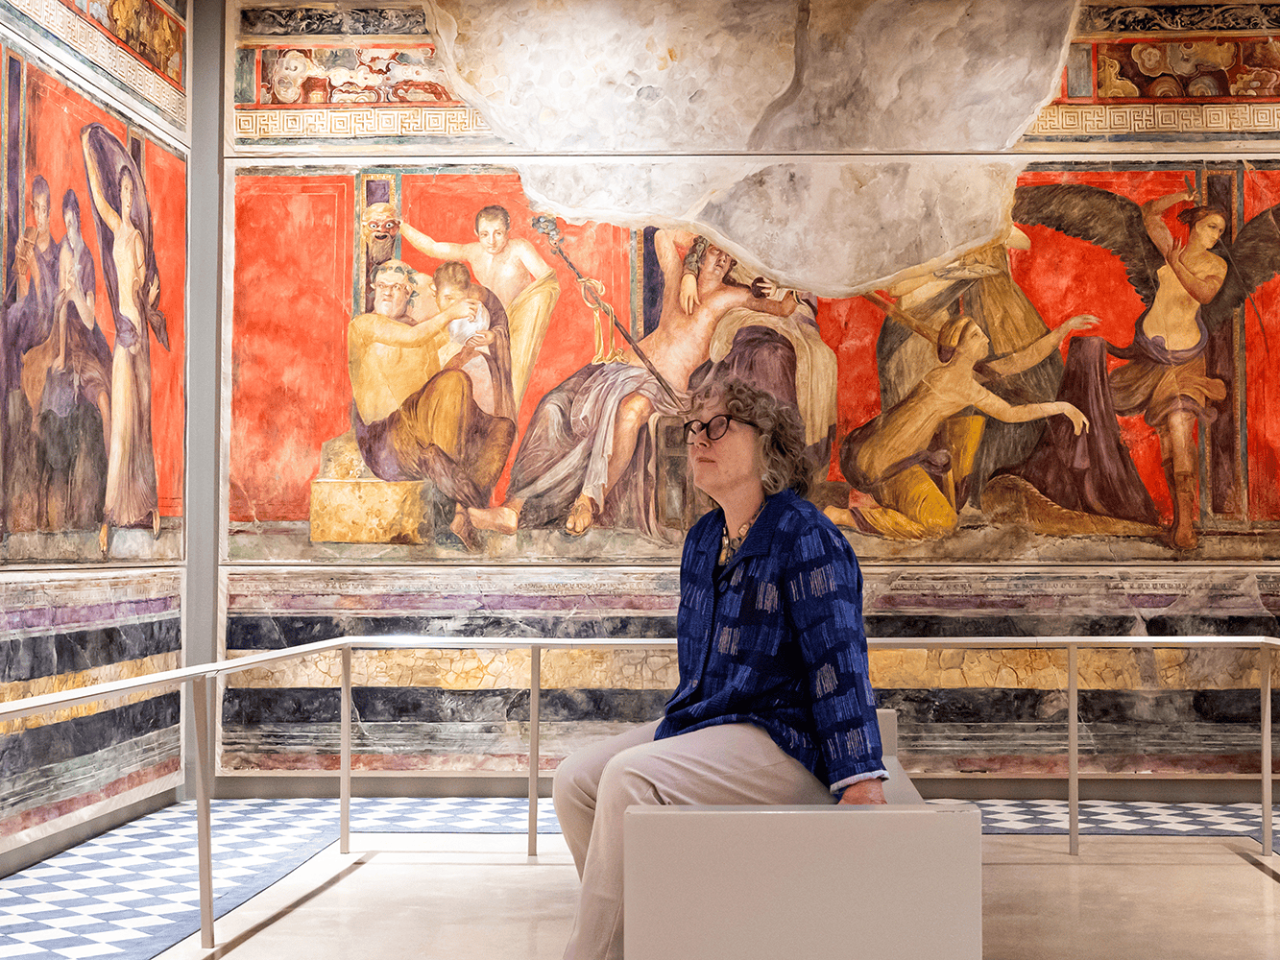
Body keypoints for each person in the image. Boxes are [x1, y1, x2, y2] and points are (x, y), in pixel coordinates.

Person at [553, 374, 887, 960]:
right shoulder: (705, 537)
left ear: (768, 443)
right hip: (716, 724)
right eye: (692, 428)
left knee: (630, 778)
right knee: (576, 781)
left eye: (717, 426)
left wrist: (859, 777)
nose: (697, 439)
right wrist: (683, 732)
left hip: (785, 736)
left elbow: (839, 658)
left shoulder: (805, 535)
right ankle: (645, 937)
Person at [467, 235, 801, 538]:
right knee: (553, 405)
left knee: (628, 413)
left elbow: (783, 308)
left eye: (729, 258)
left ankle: (589, 501)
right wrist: (687, 272)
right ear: (700, 253)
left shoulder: (728, 296)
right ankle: (514, 507)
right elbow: (664, 237)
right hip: (619, 368)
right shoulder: (676, 279)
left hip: (661, 385)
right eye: (717, 251)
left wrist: (782, 289)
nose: (723, 260)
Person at [829, 313, 1093, 540]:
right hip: (888, 465)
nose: (986, 339)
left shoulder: (955, 375)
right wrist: (1063, 407)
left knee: (962, 437)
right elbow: (1011, 413)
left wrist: (1063, 329)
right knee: (941, 525)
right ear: (961, 346)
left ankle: (877, 500)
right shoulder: (959, 384)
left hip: (889, 458)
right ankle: (848, 516)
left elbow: (1017, 362)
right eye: (978, 336)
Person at [347, 259, 516, 548]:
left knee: (501, 428)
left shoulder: (424, 329)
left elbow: (437, 363)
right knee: (454, 383)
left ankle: (465, 514)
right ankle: (460, 509)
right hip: (387, 438)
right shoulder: (364, 325)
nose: (388, 293)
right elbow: (412, 338)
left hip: (419, 427)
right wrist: (450, 313)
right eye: (383, 286)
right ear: (374, 289)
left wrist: (472, 347)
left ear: (408, 292)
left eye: (397, 287)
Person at [82, 126, 168, 550]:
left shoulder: (140, 241)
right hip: (123, 339)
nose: (127, 197)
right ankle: (108, 516)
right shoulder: (117, 229)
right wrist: (86, 149)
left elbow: (143, 295)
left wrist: (150, 299)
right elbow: (97, 197)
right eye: (124, 191)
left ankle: (148, 505)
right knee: (121, 431)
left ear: (139, 199)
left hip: (141, 343)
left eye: (132, 192)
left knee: (143, 425)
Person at [398, 203, 560, 405]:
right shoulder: (474, 252)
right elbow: (433, 247)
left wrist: (527, 313)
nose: (491, 241)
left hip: (519, 324)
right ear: (476, 233)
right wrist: (400, 225)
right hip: (486, 321)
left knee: (509, 383)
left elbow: (548, 283)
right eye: (484, 234)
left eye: (498, 233)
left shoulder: (519, 248)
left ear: (508, 231)